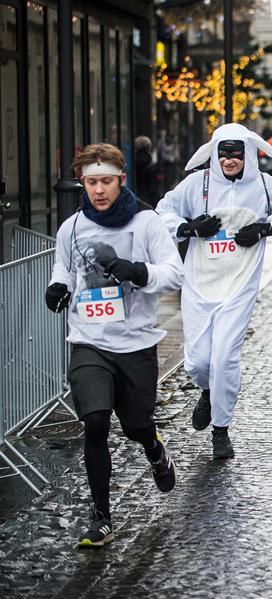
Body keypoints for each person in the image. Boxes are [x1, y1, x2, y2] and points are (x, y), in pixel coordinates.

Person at [46, 143, 184, 546]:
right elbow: (65, 266)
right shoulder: (71, 227)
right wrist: (57, 286)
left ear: (120, 180)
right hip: (89, 341)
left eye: (106, 181)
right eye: (91, 183)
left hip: (135, 343)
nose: (99, 190)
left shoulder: (146, 223)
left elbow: (174, 274)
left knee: (137, 426)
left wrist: (140, 271)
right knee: (95, 423)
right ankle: (101, 517)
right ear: (83, 184)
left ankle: (154, 448)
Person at [156, 123, 272, 459]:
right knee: (199, 361)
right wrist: (188, 227)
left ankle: (221, 430)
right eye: (224, 152)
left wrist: (266, 228)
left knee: (224, 357)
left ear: (247, 154)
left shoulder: (264, 185)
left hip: (238, 287)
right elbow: (162, 211)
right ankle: (207, 391)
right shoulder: (197, 184)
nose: (230, 160)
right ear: (215, 153)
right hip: (200, 285)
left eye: (236, 153)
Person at [134, 136, 162, 207]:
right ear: (148, 148)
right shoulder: (150, 164)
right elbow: (153, 188)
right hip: (147, 200)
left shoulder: (132, 161)